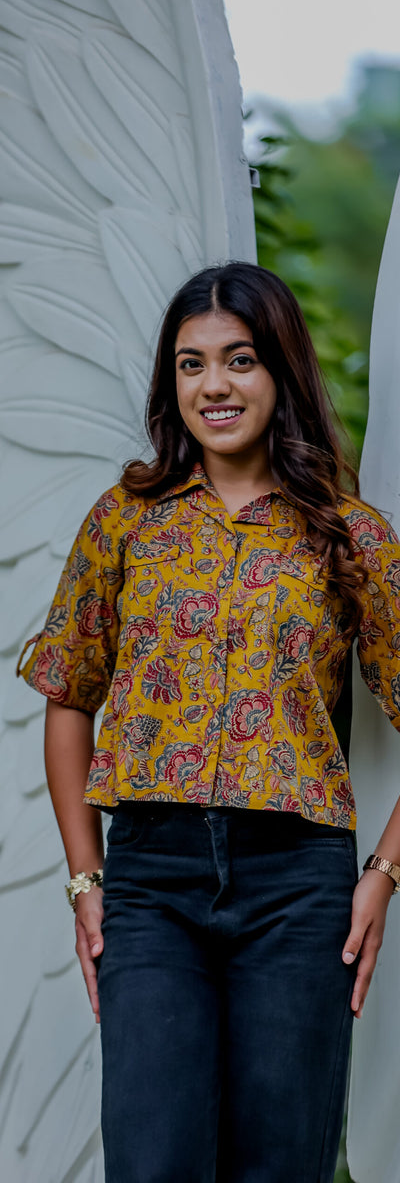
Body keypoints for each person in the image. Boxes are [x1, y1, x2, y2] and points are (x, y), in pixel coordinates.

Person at [18, 263, 400, 1183]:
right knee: (154, 1163)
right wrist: (85, 881)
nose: (215, 385)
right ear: (172, 382)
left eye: (239, 360)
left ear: (280, 374)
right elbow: (69, 692)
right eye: (192, 365)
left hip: (299, 885)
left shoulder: (353, 538)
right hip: (152, 881)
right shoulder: (124, 523)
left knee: (279, 1164)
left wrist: (381, 877)